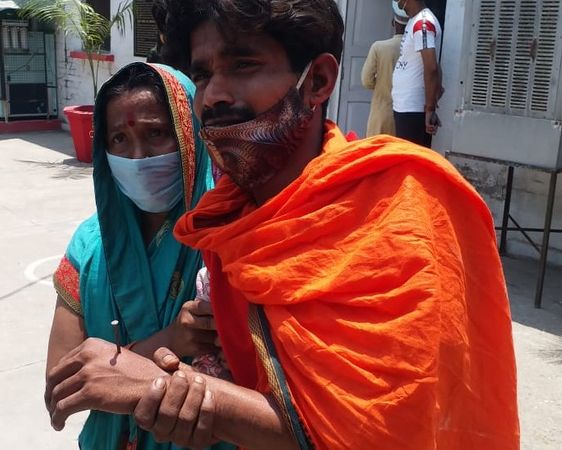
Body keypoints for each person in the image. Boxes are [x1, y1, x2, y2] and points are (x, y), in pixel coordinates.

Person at [45, 2, 520, 449]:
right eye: (203, 75)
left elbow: (379, 430)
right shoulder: (224, 219)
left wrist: (165, 386)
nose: (215, 95)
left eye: (243, 65)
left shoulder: (395, 205)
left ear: (318, 81)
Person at [48, 61, 232, 450]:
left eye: (156, 134)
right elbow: (60, 387)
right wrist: (170, 340)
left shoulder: (230, 238)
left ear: (190, 134)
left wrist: (117, 374)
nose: (138, 156)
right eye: (119, 139)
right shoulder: (90, 245)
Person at [391, 0, 443, 147]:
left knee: (409, 157)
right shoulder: (414, 21)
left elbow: (431, 67)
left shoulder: (423, 24)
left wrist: (430, 109)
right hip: (406, 106)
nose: (399, 6)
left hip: (412, 108)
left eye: (400, 1)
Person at [361, 4, 409, 137]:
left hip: (381, 114)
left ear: (393, 22)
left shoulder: (379, 47)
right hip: (405, 118)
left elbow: (366, 81)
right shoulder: (416, 50)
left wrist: (382, 82)